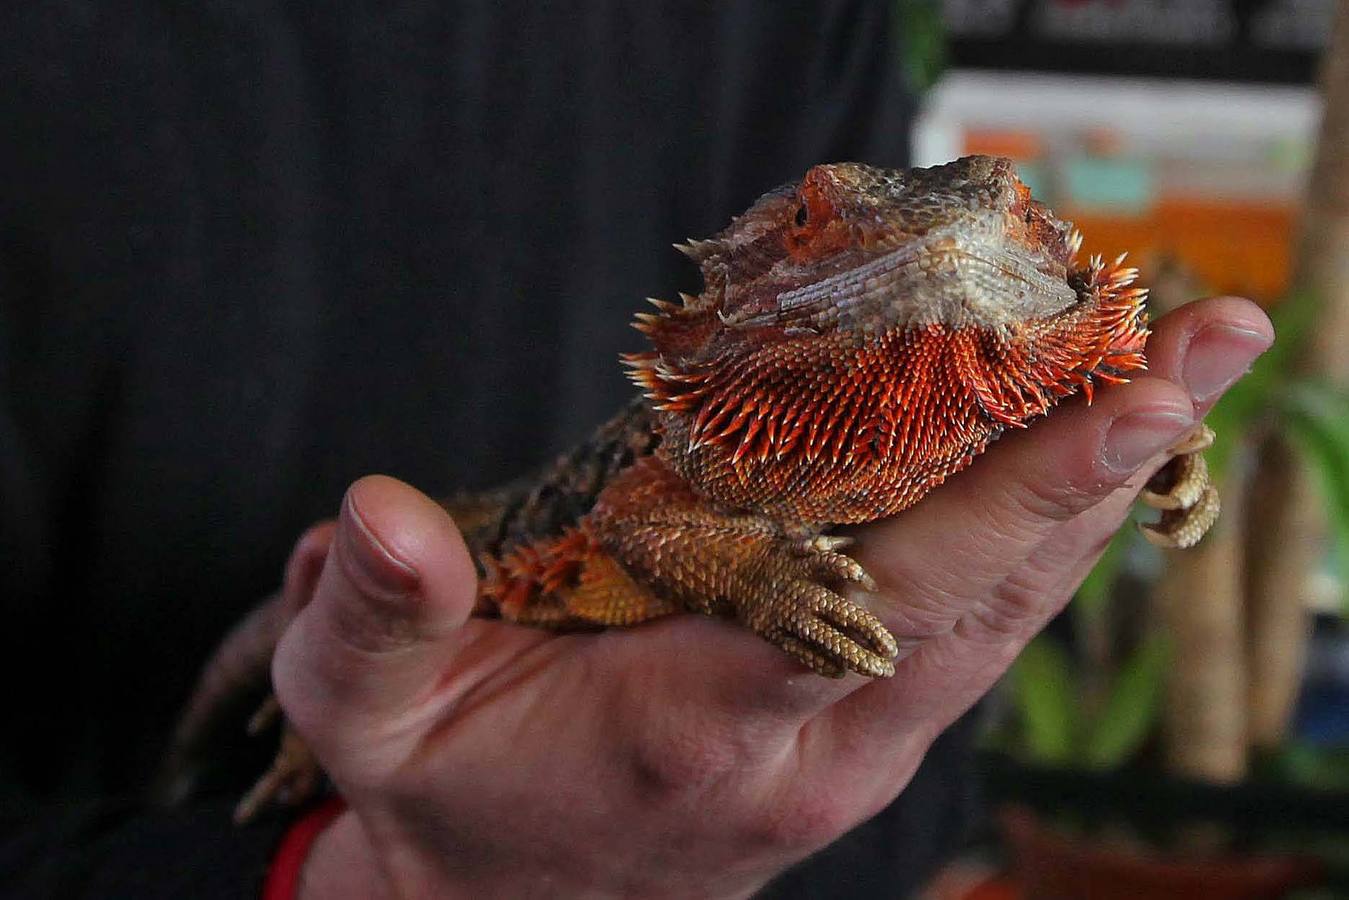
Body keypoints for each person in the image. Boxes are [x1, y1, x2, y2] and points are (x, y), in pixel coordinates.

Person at [0, 3, 1272, 897]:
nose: (941, 259)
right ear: (745, 271)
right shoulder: (730, 448)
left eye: (999, 236)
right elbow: (650, 534)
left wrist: (1139, 447)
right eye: (831, 227)